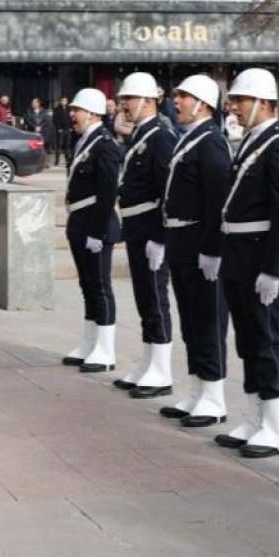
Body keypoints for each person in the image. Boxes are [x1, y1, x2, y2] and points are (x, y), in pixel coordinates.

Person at [214, 69, 279, 458]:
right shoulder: (251, 142)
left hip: (261, 254)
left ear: (263, 103)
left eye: (240, 101)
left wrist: (275, 268)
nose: (233, 107)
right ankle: (255, 415)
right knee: (248, 339)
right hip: (239, 253)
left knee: (266, 339)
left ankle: (276, 425)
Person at [159, 75, 232, 427]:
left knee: (207, 321)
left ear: (202, 103)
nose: (176, 102)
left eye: (183, 97)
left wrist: (212, 249)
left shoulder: (211, 142)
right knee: (190, 320)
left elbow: (217, 200)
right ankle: (198, 388)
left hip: (198, 243)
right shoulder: (191, 139)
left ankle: (214, 395)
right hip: (181, 242)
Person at [112, 72, 176, 398]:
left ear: (147, 101)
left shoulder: (160, 137)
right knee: (143, 299)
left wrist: (160, 237)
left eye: (128, 99)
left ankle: (162, 369)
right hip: (137, 227)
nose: (123, 105)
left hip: (150, 229)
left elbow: (168, 189)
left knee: (155, 298)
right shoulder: (142, 135)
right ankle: (149, 360)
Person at [60, 88, 121, 372]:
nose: (72, 115)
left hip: (95, 225)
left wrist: (97, 232)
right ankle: (90, 342)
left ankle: (106, 349)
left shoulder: (104, 144)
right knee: (87, 286)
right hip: (80, 222)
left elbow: (108, 193)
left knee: (99, 286)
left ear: (93, 113)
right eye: (72, 110)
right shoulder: (84, 140)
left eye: (77, 110)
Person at [52, 96, 71, 167]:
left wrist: (71, 128)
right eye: (62, 101)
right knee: (58, 146)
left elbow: (71, 119)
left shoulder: (69, 109)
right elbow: (54, 120)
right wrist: (58, 128)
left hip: (68, 129)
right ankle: (57, 161)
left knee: (67, 146)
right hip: (60, 130)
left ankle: (67, 161)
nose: (64, 102)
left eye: (65, 101)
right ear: (60, 101)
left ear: (67, 101)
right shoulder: (57, 109)